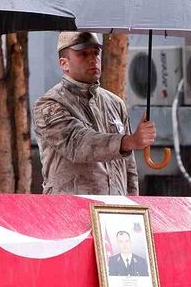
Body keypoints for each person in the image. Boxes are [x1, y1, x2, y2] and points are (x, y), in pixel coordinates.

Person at [33, 32, 155, 196]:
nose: (93, 59)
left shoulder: (115, 103)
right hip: (69, 211)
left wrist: (133, 204)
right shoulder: (49, 104)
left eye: (96, 52)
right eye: (82, 54)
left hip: (116, 210)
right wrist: (129, 141)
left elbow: (129, 168)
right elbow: (78, 144)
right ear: (64, 63)